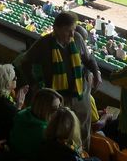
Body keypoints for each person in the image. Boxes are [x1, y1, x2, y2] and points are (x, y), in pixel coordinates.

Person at [20, 12, 100, 149]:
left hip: (80, 96)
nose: (72, 34)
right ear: (56, 29)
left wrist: (96, 73)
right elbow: (25, 62)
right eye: (68, 31)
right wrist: (33, 84)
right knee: (63, 132)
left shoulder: (78, 38)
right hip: (59, 99)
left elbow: (88, 59)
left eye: (73, 30)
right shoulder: (44, 43)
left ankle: (84, 156)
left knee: (84, 129)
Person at [8, 88, 62, 161]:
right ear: (43, 109)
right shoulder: (43, 132)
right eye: (55, 108)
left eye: (60, 106)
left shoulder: (22, 115)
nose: (59, 112)